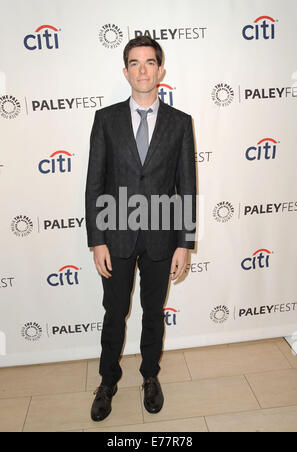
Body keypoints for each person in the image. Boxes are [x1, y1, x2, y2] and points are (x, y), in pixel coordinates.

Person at [85, 36, 196, 422]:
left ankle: (150, 376)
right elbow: (94, 183)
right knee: (114, 312)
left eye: (150, 62)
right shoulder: (106, 119)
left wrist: (185, 244)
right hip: (115, 234)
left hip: (162, 237)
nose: (143, 70)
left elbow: (187, 185)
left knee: (152, 312)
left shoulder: (181, 123)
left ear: (161, 70)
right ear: (125, 71)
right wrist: (96, 239)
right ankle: (108, 380)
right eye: (135, 63)